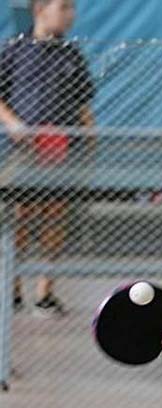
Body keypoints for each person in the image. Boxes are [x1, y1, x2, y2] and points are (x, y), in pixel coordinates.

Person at [0, 0, 95, 317]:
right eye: (64, 7)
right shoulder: (14, 50)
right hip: (23, 153)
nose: (71, 15)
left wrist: (90, 145)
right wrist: (13, 124)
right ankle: (12, 290)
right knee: (20, 217)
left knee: (55, 217)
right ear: (41, 9)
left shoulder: (71, 54)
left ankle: (45, 293)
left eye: (72, 8)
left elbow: (83, 106)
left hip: (63, 152)